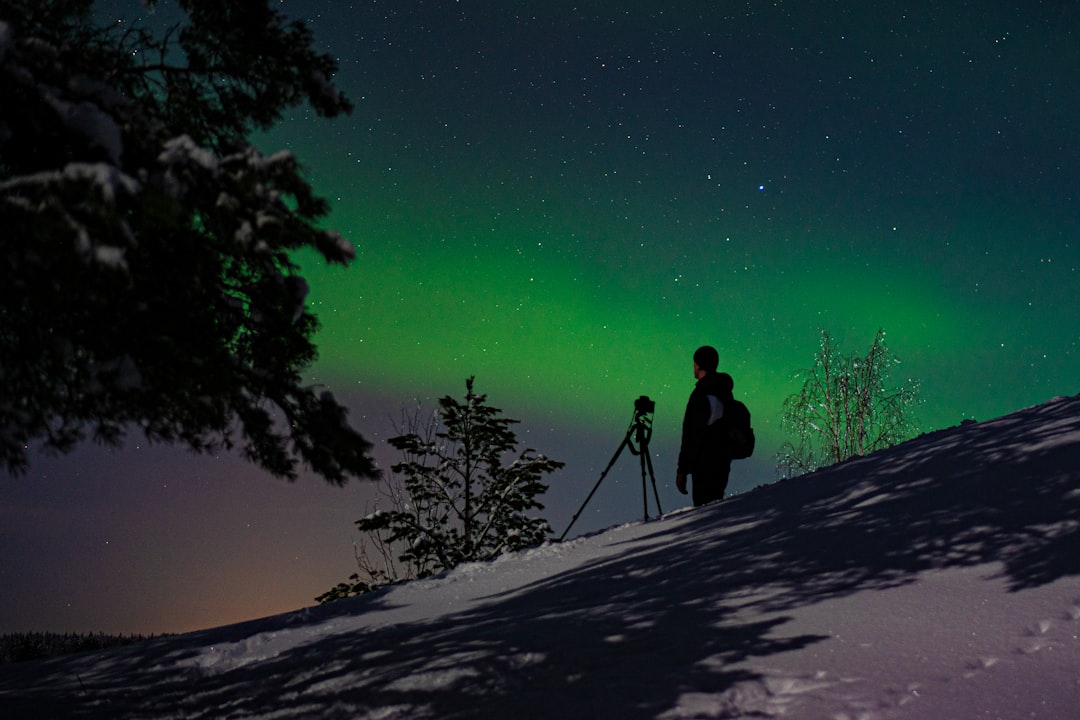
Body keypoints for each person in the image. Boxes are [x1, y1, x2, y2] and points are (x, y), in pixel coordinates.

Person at [676, 345, 734, 506]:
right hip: (723, 460)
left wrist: (682, 470)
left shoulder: (701, 394)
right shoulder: (725, 391)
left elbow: (692, 434)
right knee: (716, 504)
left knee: (705, 507)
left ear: (698, 365)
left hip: (704, 464)